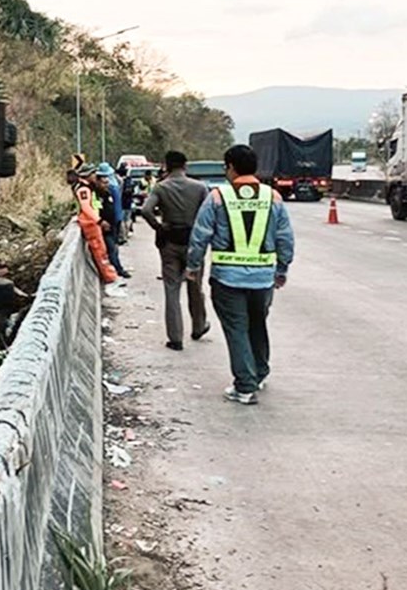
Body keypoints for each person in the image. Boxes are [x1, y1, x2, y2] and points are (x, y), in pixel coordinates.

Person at [186, 144, 294, 405]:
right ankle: (258, 373)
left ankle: (245, 386)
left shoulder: (217, 197)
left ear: (231, 167)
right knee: (258, 324)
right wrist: (282, 269)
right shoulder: (273, 198)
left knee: (237, 329)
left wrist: (193, 266)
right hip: (263, 279)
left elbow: (200, 235)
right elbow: (285, 239)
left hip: (227, 278)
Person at [140, 151, 210, 351]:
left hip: (170, 243)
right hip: (193, 243)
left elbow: (146, 210)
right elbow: (208, 215)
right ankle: (198, 326)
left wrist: (159, 227)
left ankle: (175, 338)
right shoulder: (199, 188)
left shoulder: (161, 188)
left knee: (172, 290)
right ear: (185, 166)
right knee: (195, 287)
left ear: (166, 166)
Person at [94, 162, 130, 278]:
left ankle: (115, 268)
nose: (107, 183)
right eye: (104, 181)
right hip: (106, 223)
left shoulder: (111, 188)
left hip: (114, 221)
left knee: (113, 246)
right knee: (111, 247)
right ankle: (117, 269)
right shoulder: (99, 192)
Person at [118, 164, 135, 242]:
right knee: (128, 219)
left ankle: (123, 235)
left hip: (122, 203)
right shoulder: (130, 180)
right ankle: (127, 233)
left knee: (123, 220)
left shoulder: (120, 181)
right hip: (129, 203)